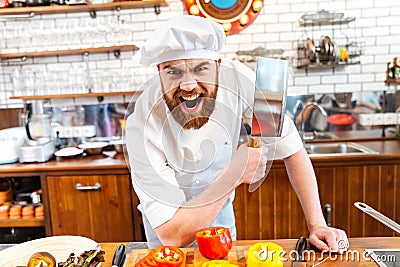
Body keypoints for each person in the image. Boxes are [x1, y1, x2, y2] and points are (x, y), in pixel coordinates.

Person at [125, 15, 348, 250]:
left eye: (201, 68)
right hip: (167, 243)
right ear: (159, 72)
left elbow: (291, 147)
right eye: (173, 72)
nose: (188, 85)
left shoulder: (242, 81)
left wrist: (318, 224)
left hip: (221, 229)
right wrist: (234, 173)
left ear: (218, 66)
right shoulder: (141, 124)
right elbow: (173, 234)